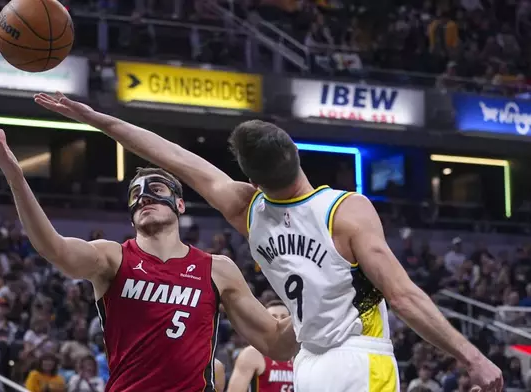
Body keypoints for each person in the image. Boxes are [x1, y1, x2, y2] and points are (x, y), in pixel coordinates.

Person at [34, 92, 504, 392]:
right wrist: (472, 356)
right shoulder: (347, 210)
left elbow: (175, 158)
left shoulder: (247, 210)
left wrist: (101, 120)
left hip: (309, 369)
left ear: (252, 178)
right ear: (296, 153)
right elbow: (402, 295)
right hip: (360, 361)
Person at [0, 122, 295, 392]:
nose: (145, 196)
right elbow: (54, 248)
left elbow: (277, 344)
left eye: (156, 188)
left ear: (180, 205)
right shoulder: (113, 257)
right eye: (136, 194)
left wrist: (326, 297)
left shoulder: (218, 269)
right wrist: (17, 181)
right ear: (131, 215)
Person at [227, 301, 293, 392]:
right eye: (273, 317)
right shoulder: (251, 354)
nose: (279, 321)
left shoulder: (299, 354)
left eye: (284, 317)